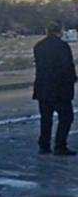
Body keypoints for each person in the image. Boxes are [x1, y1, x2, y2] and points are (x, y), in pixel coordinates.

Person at [33, 21, 77, 156]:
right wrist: (73, 80)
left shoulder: (38, 46)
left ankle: (44, 145)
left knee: (46, 118)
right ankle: (60, 145)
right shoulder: (63, 46)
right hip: (60, 90)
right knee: (66, 118)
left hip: (43, 88)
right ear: (60, 31)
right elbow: (67, 67)